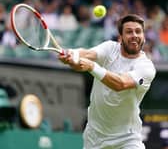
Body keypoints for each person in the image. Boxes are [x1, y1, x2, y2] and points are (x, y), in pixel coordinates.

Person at [59, 14, 156, 149]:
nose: (134, 35)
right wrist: (71, 54)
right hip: (94, 137)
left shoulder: (146, 67)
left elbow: (120, 84)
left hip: (127, 138)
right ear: (120, 38)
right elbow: (86, 54)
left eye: (138, 31)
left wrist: (92, 67)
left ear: (144, 37)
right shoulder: (110, 48)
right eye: (129, 32)